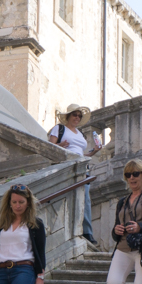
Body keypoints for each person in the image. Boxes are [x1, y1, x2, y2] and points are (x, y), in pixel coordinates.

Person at [48, 104, 98, 245]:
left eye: (79, 116)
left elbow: (81, 153)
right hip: (67, 165)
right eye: (74, 115)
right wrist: (60, 146)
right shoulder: (59, 128)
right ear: (68, 116)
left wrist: (93, 151)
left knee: (85, 198)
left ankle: (87, 231)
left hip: (82, 166)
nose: (77, 117)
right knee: (71, 196)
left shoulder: (80, 133)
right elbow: (49, 147)